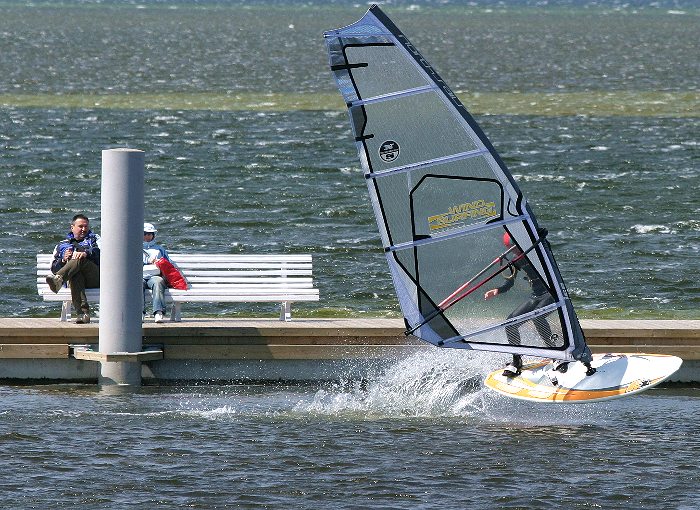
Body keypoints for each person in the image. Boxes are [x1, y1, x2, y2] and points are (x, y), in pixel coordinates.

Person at [484, 230, 557, 377]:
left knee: (538, 317)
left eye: (518, 248)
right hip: (536, 295)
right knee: (510, 322)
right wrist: (498, 290)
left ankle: (556, 354)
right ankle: (516, 360)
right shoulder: (516, 259)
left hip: (552, 293)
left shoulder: (538, 250)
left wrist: (537, 234)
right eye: (513, 250)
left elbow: (544, 238)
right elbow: (509, 283)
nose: (517, 252)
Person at [46, 214, 101, 324]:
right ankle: (83, 314)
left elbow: (99, 253)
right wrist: (63, 260)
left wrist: (86, 253)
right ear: (72, 227)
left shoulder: (95, 239)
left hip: (95, 277)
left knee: (79, 258)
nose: (84, 229)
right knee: (75, 274)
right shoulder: (62, 245)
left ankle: (58, 280)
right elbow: (53, 268)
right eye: (80, 226)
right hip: (74, 280)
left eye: (86, 226)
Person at [142, 222, 170, 323]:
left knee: (158, 281)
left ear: (153, 235)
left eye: (149, 234)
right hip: (139, 276)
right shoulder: (134, 248)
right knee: (137, 284)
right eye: (144, 234)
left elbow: (168, 264)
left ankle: (158, 312)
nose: (147, 236)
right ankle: (139, 313)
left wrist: (159, 263)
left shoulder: (160, 249)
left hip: (154, 276)